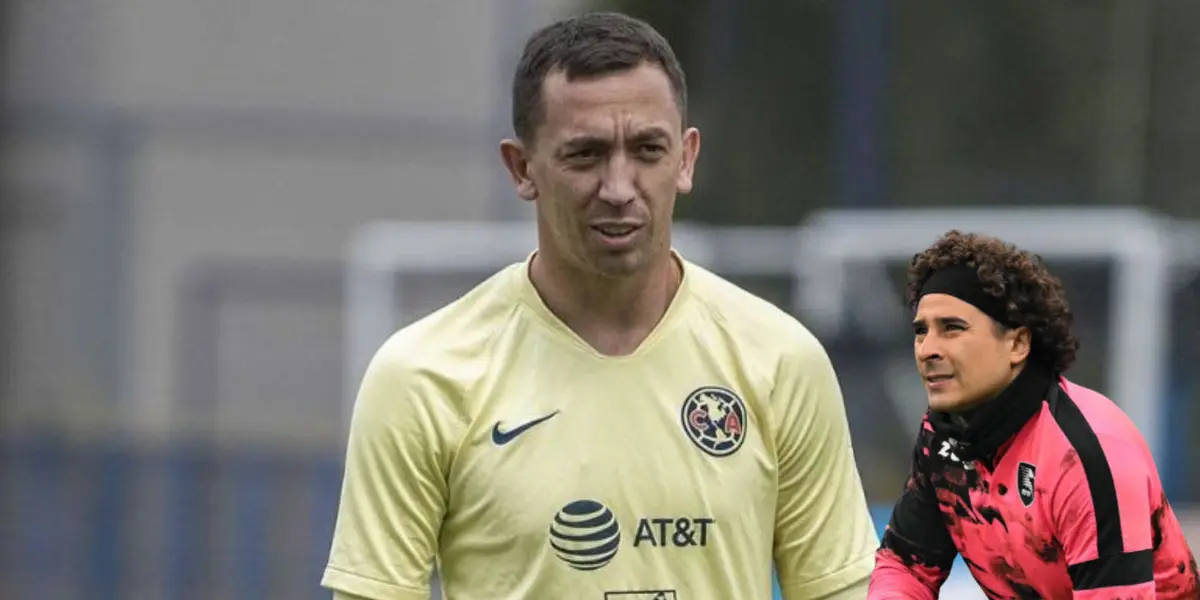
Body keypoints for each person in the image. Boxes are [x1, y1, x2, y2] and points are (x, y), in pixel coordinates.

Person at [321, 11, 878, 600]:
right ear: (522, 168)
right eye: (585, 155)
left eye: (647, 150)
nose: (618, 188)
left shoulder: (781, 361)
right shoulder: (423, 376)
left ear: (686, 158)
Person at [868, 230, 1198, 599]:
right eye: (921, 331)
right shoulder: (944, 435)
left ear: (1018, 344)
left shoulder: (1087, 453)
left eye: (952, 328)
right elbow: (907, 566)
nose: (927, 349)